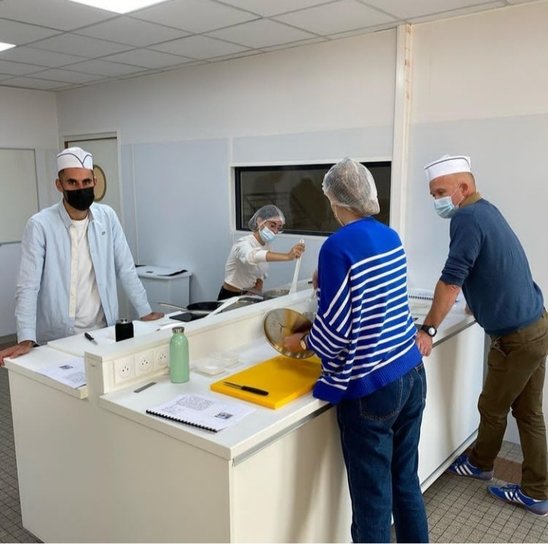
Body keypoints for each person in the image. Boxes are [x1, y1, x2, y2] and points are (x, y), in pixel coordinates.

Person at [284, 158, 428, 543]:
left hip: (373, 389)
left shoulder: (335, 247)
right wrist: (325, 284)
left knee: (372, 505)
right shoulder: (389, 236)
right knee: (405, 484)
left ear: (335, 199)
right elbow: (370, 298)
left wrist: (299, 342)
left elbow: (334, 336)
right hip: (411, 372)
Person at [417, 154, 548, 516]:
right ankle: (536, 491)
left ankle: (480, 464)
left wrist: (428, 329)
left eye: (440, 192)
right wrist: (478, 303)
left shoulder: (467, 217)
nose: (437, 201)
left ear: (464, 187)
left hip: (516, 337)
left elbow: (452, 277)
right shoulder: (486, 211)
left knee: (492, 407)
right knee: (530, 412)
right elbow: (490, 265)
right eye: (432, 194)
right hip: (537, 324)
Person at [0, 147, 163, 366]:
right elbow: (28, 286)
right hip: (57, 337)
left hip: (103, 333)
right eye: (72, 183)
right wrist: (26, 338)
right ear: (60, 185)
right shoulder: (40, 225)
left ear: (94, 181)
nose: (81, 188)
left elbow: (125, 268)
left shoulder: (108, 217)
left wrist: (145, 311)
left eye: (86, 182)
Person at [217, 204, 305, 300]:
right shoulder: (242, 243)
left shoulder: (266, 245)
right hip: (230, 296)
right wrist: (288, 256)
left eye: (278, 228)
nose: (275, 231)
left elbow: (260, 270)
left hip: (248, 295)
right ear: (260, 222)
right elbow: (252, 257)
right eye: (272, 225)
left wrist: (259, 284)